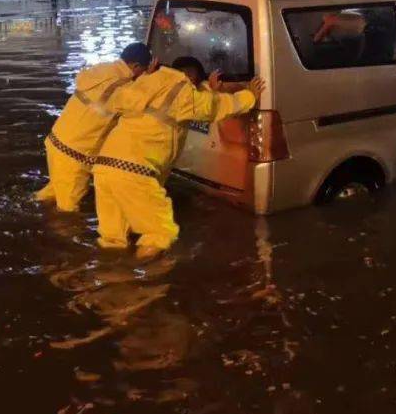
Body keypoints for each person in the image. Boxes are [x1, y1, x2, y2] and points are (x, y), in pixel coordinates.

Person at [92, 55, 264, 259]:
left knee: (113, 237)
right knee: (160, 233)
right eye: (197, 83)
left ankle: (107, 276)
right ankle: (137, 282)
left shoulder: (147, 82)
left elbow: (188, 104)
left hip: (104, 167)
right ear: (190, 78)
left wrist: (208, 90)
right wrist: (249, 96)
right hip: (134, 173)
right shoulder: (183, 93)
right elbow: (216, 107)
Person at [35, 42, 155, 212]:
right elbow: (140, 103)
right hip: (74, 155)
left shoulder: (101, 68)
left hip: (56, 142)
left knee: (52, 191)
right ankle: (57, 235)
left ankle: (26, 212)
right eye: (142, 69)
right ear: (136, 66)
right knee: (68, 210)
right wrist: (149, 79)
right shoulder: (123, 85)